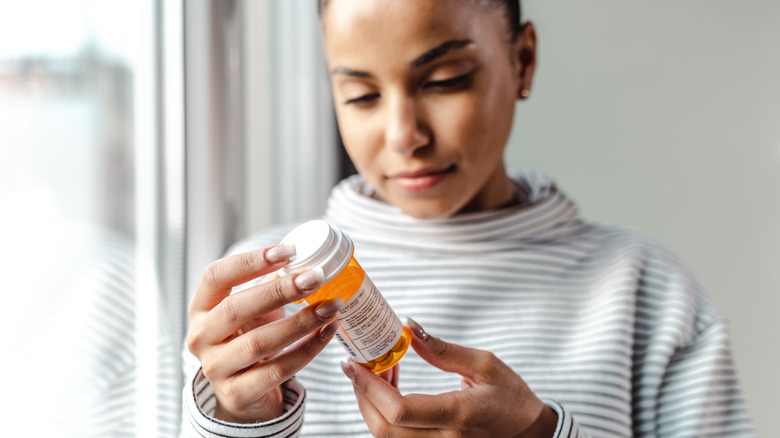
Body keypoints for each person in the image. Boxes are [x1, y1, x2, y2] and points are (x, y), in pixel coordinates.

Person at [182, 0, 754, 436]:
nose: (405, 135)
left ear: (522, 59)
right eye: (361, 95)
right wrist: (238, 419)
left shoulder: (646, 290)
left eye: (445, 81)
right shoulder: (256, 296)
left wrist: (542, 433)